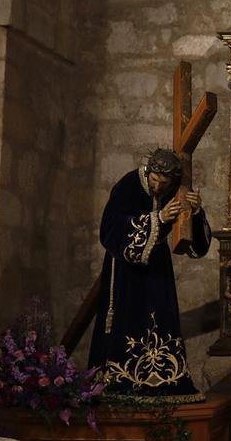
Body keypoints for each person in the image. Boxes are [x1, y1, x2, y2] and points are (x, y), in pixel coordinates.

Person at [88, 149, 210, 402]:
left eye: (164, 183)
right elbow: (112, 227)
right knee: (127, 317)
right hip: (125, 270)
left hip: (157, 268)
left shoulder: (176, 190)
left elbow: (196, 246)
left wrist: (196, 213)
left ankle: (161, 380)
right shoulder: (128, 185)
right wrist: (158, 219)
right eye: (155, 180)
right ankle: (119, 381)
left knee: (160, 316)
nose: (158, 187)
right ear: (148, 170)